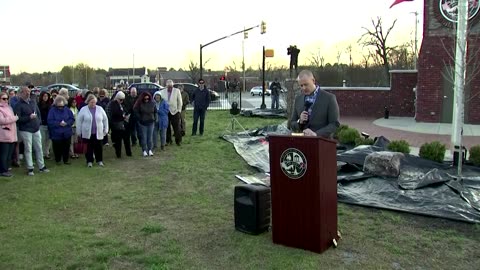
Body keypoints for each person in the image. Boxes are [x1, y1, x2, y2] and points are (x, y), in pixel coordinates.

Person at [290, 70, 340, 138]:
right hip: (302, 143)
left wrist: (316, 134)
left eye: (306, 84)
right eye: (301, 85)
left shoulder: (329, 98)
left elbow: (334, 124)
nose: (303, 88)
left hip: (322, 143)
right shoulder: (298, 99)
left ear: (313, 81)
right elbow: (292, 123)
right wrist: (299, 121)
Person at [14, 86, 50, 176]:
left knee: (39, 147)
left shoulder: (33, 102)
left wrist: (38, 122)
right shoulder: (18, 105)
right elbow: (18, 119)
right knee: (28, 149)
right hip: (26, 130)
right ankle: (30, 168)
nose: (28, 93)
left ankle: (41, 166)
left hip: (36, 128)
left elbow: (38, 113)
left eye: (29, 91)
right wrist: (28, 118)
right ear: (21, 93)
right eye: (25, 91)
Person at [76, 94, 109, 168]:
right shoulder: (83, 109)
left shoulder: (100, 109)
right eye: (91, 102)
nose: (93, 104)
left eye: (94, 102)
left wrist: (106, 129)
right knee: (88, 148)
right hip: (87, 133)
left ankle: (99, 161)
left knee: (99, 148)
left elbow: (105, 119)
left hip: (98, 132)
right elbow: (79, 121)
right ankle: (89, 161)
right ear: (88, 102)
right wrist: (79, 132)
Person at [47, 96, 75, 165]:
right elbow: (50, 121)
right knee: (57, 147)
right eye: (59, 106)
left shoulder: (67, 110)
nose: (60, 108)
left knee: (66, 146)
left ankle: (66, 160)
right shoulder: (52, 111)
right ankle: (58, 160)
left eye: (62, 106)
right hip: (56, 133)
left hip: (67, 132)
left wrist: (67, 123)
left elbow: (72, 119)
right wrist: (58, 123)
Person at [0, 91, 18, 177]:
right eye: (4, 98)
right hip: (4, 135)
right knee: (4, 154)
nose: (6, 100)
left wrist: (11, 118)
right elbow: (2, 120)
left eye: (7, 98)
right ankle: (2, 170)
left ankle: (6, 169)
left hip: (12, 134)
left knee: (9, 154)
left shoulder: (10, 108)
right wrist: (14, 118)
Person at [109, 91, 132, 158]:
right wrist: (123, 116)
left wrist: (127, 115)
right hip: (117, 124)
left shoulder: (124, 103)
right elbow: (114, 113)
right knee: (118, 141)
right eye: (120, 99)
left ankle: (129, 153)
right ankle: (118, 154)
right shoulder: (113, 104)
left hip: (125, 124)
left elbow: (128, 109)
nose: (121, 101)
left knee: (127, 139)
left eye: (122, 99)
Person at [133, 92, 157, 157]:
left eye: (148, 99)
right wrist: (139, 118)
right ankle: (144, 150)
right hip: (143, 123)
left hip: (151, 122)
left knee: (150, 137)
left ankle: (150, 150)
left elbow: (155, 112)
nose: (146, 100)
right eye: (145, 99)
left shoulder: (153, 103)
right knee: (144, 137)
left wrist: (155, 119)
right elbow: (135, 110)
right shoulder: (139, 103)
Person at [160, 80, 182, 146]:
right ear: (166, 86)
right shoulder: (162, 91)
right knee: (167, 127)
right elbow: (161, 101)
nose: (169, 88)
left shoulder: (177, 91)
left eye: (171, 86)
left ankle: (178, 141)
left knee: (176, 127)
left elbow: (180, 101)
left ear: (173, 86)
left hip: (175, 112)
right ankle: (168, 140)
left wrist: (179, 110)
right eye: (168, 86)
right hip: (166, 112)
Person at [38, 91, 52, 159]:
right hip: (41, 124)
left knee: (48, 139)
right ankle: (42, 153)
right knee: (42, 139)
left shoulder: (50, 105)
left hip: (48, 124)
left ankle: (46, 152)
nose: (45, 97)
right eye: (44, 96)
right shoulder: (39, 105)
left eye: (47, 96)